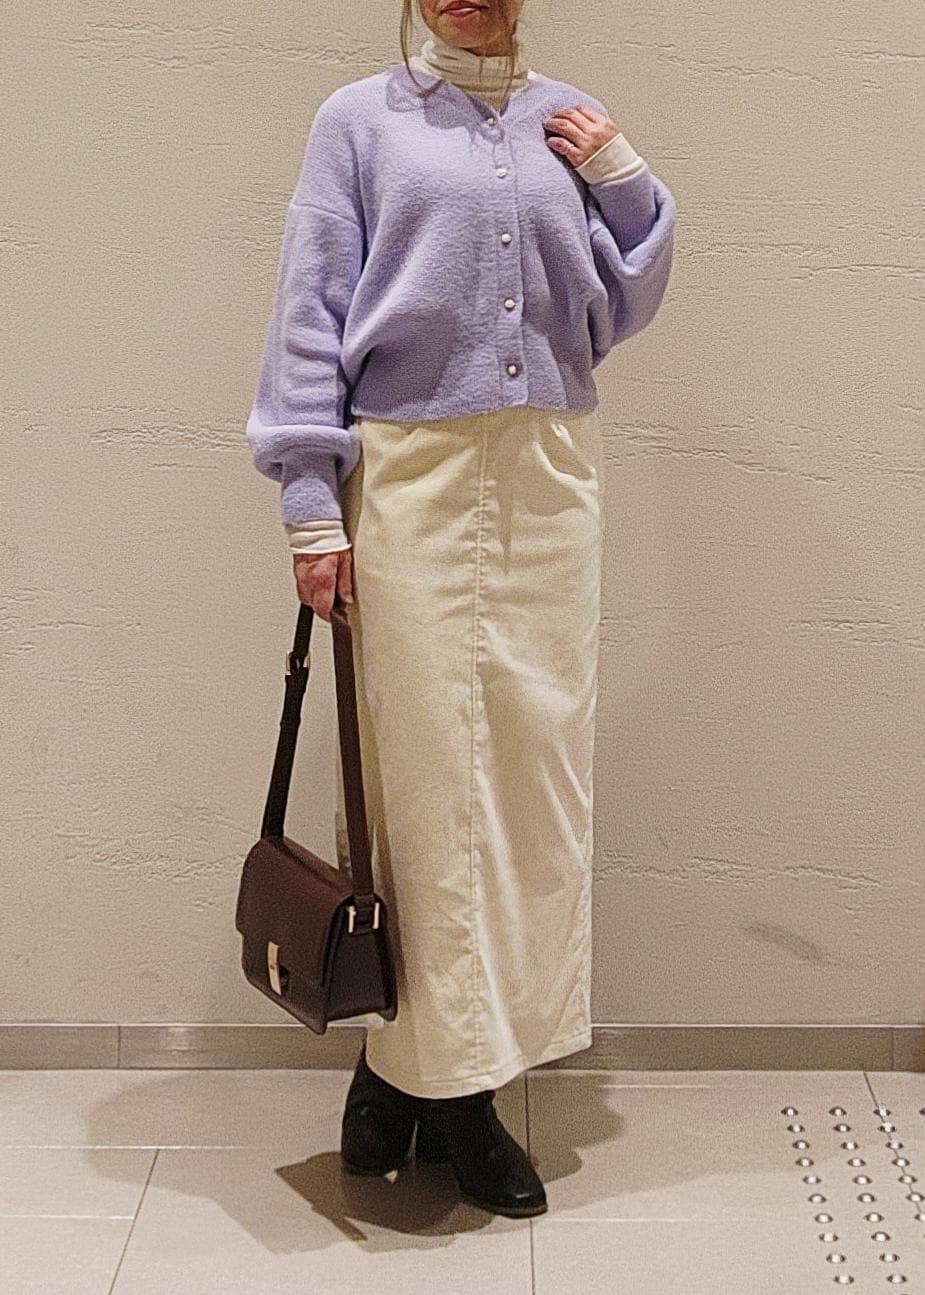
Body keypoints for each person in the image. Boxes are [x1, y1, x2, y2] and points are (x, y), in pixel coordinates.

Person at [245, 0, 676, 1218]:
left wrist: (625, 179)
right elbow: (309, 308)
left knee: (533, 783)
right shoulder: (358, 122)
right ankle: (447, 1089)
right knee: (421, 785)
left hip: (549, 476)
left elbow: (624, 300)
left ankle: (417, 1074)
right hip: (413, 477)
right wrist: (311, 503)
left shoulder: (565, 120)